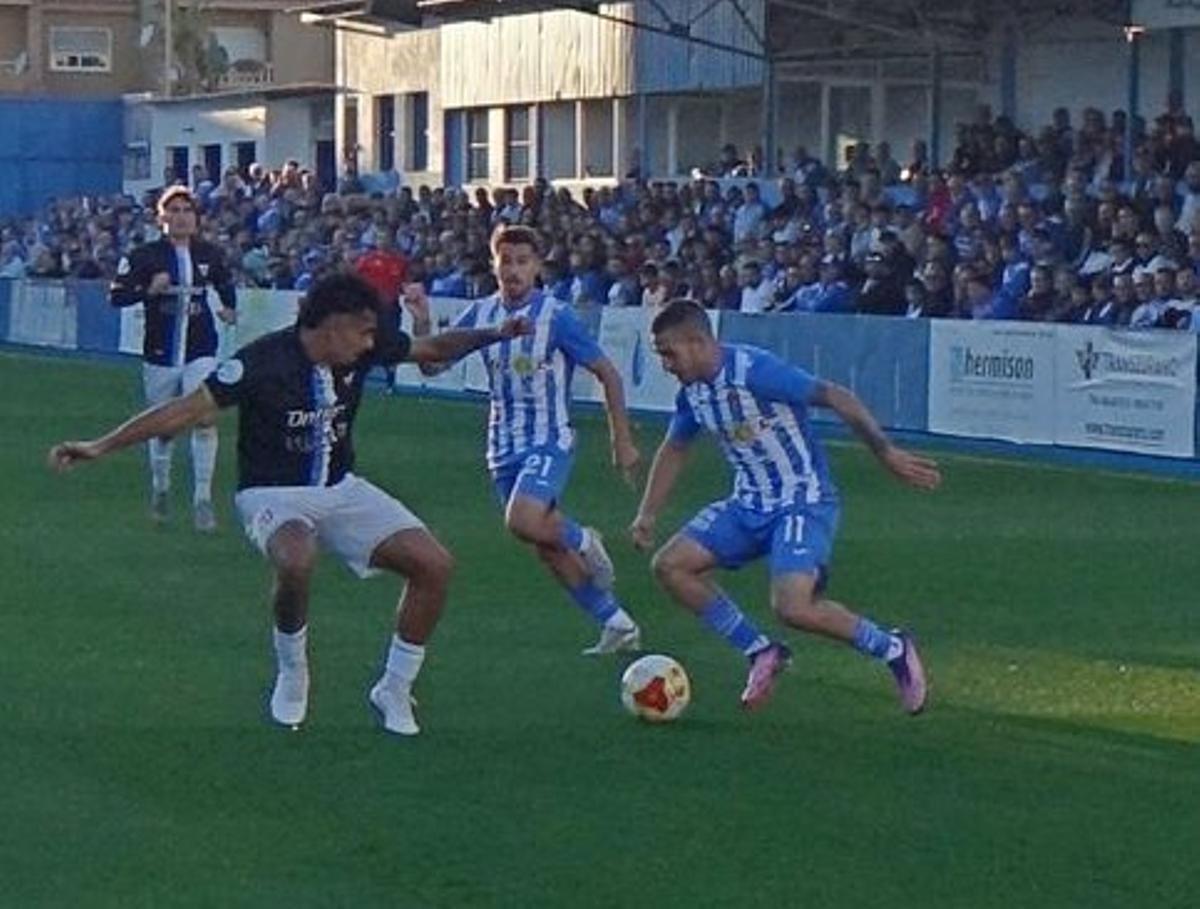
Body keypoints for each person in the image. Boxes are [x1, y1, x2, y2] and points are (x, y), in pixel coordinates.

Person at [49, 272, 531, 736]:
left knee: (435, 565)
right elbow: (183, 410)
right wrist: (99, 446)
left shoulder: (364, 349)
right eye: (363, 332)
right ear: (333, 324)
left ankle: (395, 688)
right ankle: (293, 669)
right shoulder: (261, 362)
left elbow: (433, 348)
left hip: (340, 489)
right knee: (297, 556)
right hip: (271, 493)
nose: (370, 344)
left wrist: (497, 333)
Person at [629, 300, 941, 713]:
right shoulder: (695, 391)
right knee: (670, 566)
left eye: (669, 352)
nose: (666, 364)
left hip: (802, 501)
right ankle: (760, 652)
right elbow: (676, 445)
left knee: (792, 607)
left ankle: (894, 648)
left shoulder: (755, 372)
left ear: (699, 341)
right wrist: (648, 513)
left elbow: (836, 395)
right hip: (748, 503)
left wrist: (885, 452)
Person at [412, 225, 644, 655]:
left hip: (548, 439)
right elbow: (431, 367)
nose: (514, 270)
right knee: (544, 544)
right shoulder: (481, 315)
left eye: (523, 261)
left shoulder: (556, 316)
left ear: (537, 267)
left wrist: (622, 440)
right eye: (507, 261)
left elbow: (607, 372)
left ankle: (584, 540)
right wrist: (421, 317)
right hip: (501, 448)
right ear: (493, 263)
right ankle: (617, 623)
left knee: (523, 520)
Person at [109, 186, 237, 531]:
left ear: (196, 218)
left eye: (187, 210)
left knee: (204, 417)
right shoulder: (144, 256)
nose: (181, 217)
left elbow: (225, 283)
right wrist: (148, 290)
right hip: (161, 350)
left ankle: (203, 499)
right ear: (161, 218)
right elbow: (117, 296)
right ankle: (161, 490)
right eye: (174, 210)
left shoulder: (209, 253)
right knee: (163, 426)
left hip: (201, 347)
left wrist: (229, 308)